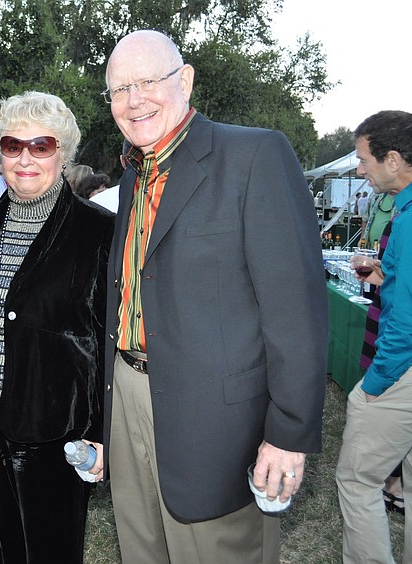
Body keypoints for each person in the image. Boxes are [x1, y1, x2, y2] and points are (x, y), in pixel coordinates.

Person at [102, 30, 327, 563]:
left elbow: (295, 309)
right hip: (128, 396)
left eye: (147, 82)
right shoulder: (135, 175)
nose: (133, 100)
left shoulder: (254, 156)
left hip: (216, 423)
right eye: (118, 89)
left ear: (185, 80)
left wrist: (289, 433)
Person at [0, 91, 112, 563]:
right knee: (1, 551)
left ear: (64, 153)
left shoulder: (98, 232)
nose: (26, 158)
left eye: (42, 145)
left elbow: (107, 338)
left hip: (59, 433)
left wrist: (101, 432)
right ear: (0, 152)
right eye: (14, 145)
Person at [336, 110, 412, 564]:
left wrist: (373, 385)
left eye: (364, 158)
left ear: (393, 159)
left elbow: (407, 326)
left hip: (408, 370)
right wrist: (389, 276)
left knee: (357, 481)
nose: (359, 169)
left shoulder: (411, 219)